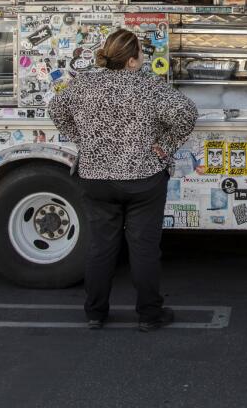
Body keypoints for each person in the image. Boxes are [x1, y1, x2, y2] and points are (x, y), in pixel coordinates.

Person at [48, 28, 198, 332]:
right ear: (131, 61)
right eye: (141, 53)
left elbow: (55, 111)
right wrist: (166, 145)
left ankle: (95, 312)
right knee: (144, 249)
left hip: (96, 178)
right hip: (142, 178)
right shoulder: (148, 87)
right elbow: (186, 113)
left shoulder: (84, 84)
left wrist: (83, 140)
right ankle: (149, 314)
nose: (143, 58)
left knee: (100, 247)